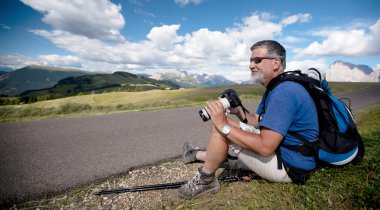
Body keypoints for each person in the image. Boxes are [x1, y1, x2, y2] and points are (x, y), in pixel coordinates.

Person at [177, 40, 319, 199]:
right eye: (251, 60)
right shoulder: (279, 86)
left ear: (276, 62)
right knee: (225, 125)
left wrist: (222, 124)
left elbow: (266, 147)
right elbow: (262, 121)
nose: (251, 65)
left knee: (221, 128)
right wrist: (239, 112)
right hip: (291, 154)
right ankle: (198, 155)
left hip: (291, 167)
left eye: (257, 60)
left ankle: (206, 179)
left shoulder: (283, 93)